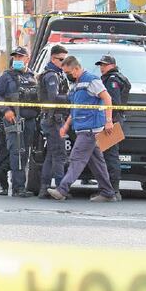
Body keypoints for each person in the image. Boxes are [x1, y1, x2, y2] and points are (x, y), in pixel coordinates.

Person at [47, 55, 118, 203]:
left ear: (77, 68)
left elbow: (107, 98)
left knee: (76, 159)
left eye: (69, 73)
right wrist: (66, 126)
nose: (67, 76)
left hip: (90, 129)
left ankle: (62, 190)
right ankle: (108, 192)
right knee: (97, 163)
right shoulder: (75, 85)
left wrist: (109, 121)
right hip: (83, 128)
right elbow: (75, 109)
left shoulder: (92, 80)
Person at [0, 46, 39, 198]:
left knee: (25, 154)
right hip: (14, 120)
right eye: (15, 57)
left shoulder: (33, 76)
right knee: (16, 153)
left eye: (20, 57)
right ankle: (18, 188)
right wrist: (6, 110)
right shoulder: (7, 76)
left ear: (27, 58)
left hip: (30, 120)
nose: (17, 59)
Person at [36, 44, 70, 199]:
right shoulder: (51, 75)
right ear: (52, 58)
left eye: (66, 60)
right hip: (53, 119)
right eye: (61, 60)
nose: (64, 63)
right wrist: (71, 98)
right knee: (59, 155)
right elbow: (53, 98)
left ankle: (44, 188)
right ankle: (60, 189)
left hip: (53, 118)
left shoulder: (57, 73)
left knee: (51, 155)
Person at [96, 54, 131, 198]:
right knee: (107, 154)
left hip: (111, 121)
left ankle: (112, 190)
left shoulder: (112, 80)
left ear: (112, 65)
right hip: (113, 119)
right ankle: (110, 189)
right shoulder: (115, 78)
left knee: (110, 156)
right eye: (101, 65)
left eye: (104, 65)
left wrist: (108, 120)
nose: (102, 68)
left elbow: (113, 102)